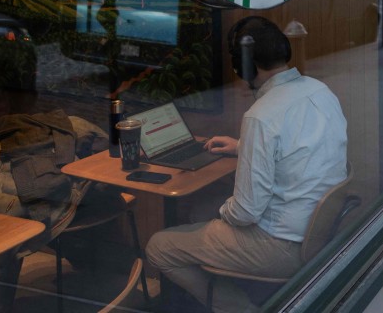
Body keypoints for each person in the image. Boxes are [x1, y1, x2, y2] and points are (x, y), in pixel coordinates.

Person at [145, 17, 348, 312]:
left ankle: (239, 308)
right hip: (317, 232)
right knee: (199, 211)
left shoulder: (261, 116)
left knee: (159, 247)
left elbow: (245, 213)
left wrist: (223, 211)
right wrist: (243, 147)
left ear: (246, 66)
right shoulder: (320, 91)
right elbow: (300, 147)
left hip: (281, 246)